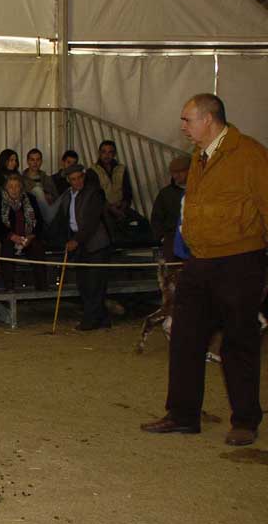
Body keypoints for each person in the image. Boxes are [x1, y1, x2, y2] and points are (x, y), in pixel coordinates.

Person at [142, 93, 268, 446]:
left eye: (187, 120)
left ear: (209, 120)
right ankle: (182, 414)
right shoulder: (200, 157)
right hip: (199, 261)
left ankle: (245, 419)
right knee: (184, 336)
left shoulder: (250, 155)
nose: (183, 127)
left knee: (239, 341)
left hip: (240, 260)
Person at [54, 164, 112, 331]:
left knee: (94, 284)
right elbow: (63, 220)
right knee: (84, 284)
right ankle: (102, 318)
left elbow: (91, 222)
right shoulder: (67, 196)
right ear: (68, 181)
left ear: (84, 177)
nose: (77, 181)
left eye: (80, 177)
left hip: (96, 244)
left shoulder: (94, 193)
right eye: (73, 179)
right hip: (80, 244)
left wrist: (76, 240)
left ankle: (90, 320)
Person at [0, 174, 47, 290]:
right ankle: (9, 286)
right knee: (6, 248)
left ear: (21, 188)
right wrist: (12, 236)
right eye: (10, 186)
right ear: (6, 188)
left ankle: (42, 285)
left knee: (38, 247)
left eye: (16, 186)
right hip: (9, 237)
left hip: (28, 237)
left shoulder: (30, 199)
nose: (14, 189)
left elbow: (40, 221)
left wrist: (31, 236)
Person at [149, 156, 190, 261]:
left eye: (180, 171)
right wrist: (163, 238)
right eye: (173, 172)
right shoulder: (165, 194)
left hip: (195, 239)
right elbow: (156, 218)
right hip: (171, 240)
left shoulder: (200, 190)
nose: (176, 175)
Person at [89, 140, 134, 223]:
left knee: (142, 224)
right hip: (103, 211)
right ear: (99, 153)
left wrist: (123, 207)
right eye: (104, 152)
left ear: (114, 154)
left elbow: (128, 191)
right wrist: (111, 208)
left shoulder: (121, 169)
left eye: (110, 152)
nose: (107, 155)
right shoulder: (92, 171)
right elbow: (95, 195)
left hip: (122, 208)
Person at [22, 148, 59, 224]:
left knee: (68, 193)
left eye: (38, 160)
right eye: (32, 160)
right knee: (37, 190)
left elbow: (56, 197)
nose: (35, 163)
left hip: (49, 208)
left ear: (41, 161)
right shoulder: (21, 180)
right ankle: (49, 219)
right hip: (32, 211)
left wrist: (50, 197)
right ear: (28, 161)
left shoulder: (47, 178)